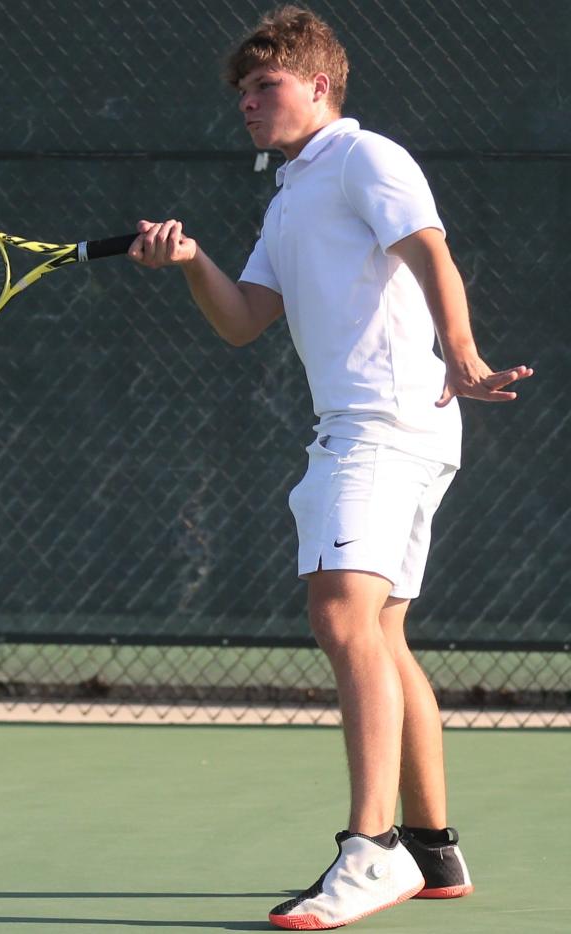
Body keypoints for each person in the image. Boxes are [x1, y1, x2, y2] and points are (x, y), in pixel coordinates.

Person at [128, 5, 533, 930]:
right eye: (240, 93)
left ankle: (371, 850)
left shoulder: (363, 158)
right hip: (377, 429)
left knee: (339, 611)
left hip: (385, 423)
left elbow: (428, 248)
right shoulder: (289, 197)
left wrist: (462, 355)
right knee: (381, 635)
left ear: (319, 86)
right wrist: (192, 260)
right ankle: (432, 849)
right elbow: (243, 320)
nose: (248, 104)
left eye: (264, 86)